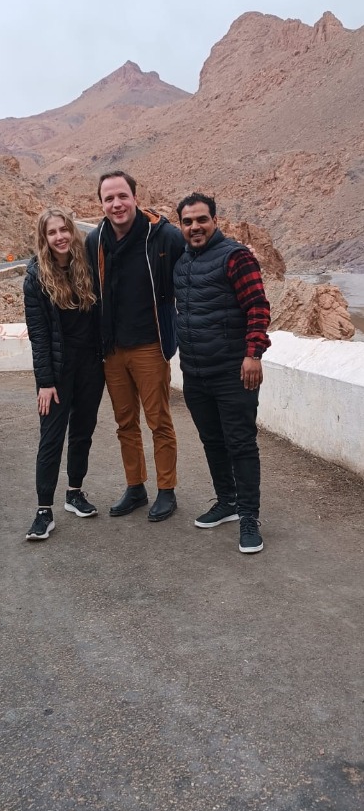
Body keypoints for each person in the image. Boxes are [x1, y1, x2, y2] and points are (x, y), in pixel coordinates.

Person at [173, 192, 271, 554]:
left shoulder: (236, 256)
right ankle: (227, 501)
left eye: (201, 219)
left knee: (240, 443)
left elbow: (258, 307)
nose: (195, 227)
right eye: (188, 221)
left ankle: (249, 516)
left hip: (234, 372)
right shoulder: (182, 263)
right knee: (212, 440)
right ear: (180, 226)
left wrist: (253, 355)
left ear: (215, 220)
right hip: (196, 373)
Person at [86, 170, 184, 522]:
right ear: (101, 204)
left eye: (122, 196)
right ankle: (135, 487)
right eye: (109, 198)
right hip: (112, 348)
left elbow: (193, 268)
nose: (116, 204)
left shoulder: (163, 236)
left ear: (135, 198)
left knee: (159, 420)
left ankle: (167, 489)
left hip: (150, 344)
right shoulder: (95, 240)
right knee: (125, 422)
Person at [24, 206, 105, 541]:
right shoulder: (36, 277)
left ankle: (74, 493)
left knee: (83, 431)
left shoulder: (85, 265)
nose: (59, 237)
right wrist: (45, 382)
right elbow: (39, 335)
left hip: (90, 365)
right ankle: (44, 510)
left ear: (72, 231)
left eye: (63, 230)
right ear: (44, 238)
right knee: (51, 438)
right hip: (57, 372)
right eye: (52, 232)